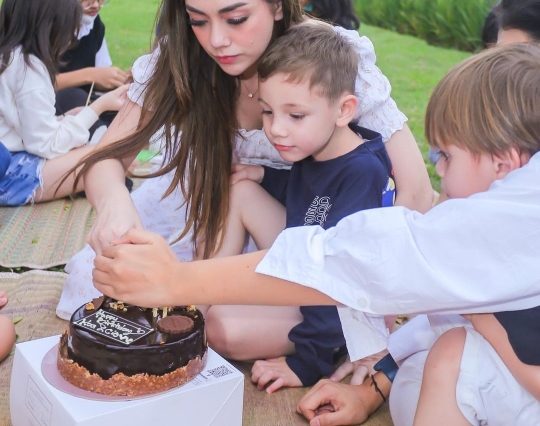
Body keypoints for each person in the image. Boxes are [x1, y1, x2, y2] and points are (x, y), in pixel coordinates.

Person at [94, 44, 540, 426]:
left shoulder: (489, 222)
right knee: (438, 353)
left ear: (503, 163)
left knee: (449, 354)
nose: (437, 172)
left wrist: (175, 280)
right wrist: (373, 389)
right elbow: (436, 310)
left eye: (445, 156)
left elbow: (359, 261)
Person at [57, 0, 431, 322]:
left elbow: (416, 191)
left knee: (229, 324)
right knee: (96, 281)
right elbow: (108, 156)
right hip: (202, 214)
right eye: (198, 20)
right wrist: (115, 204)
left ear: (277, 3)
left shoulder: (332, 59)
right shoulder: (181, 57)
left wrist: (376, 305)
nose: (217, 40)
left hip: (302, 232)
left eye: (236, 19)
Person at [206, 24, 396, 392]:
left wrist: (306, 363)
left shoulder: (361, 172)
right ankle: (197, 297)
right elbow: (308, 194)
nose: (276, 130)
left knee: (222, 328)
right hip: (307, 267)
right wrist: (263, 174)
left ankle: (337, 350)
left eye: (294, 116)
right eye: (267, 112)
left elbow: (341, 277)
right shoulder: (317, 144)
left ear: (344, 110)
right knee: (241, 190)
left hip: (343, 306)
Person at [0, 0, 127, 206]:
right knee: (111, 154)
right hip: (12, 176)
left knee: (104, 154)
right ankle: (94, 182)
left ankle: (89, 180)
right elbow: (46, 145)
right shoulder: (28, 68)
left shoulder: (9, 57)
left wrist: (67, 118)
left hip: (9, 159)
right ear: (53, 26)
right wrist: (99, 107)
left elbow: (22, 126)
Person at [55, 0, 128, 118]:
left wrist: (122, 80)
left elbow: (101, 76)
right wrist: (89, 75)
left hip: (80, 107)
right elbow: (25, 84)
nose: (95, 4)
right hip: (40, 110)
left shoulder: (94, 25)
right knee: (74, 97)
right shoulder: (39, 23)